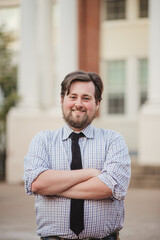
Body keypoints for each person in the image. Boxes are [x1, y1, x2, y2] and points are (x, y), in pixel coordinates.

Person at [24, 70, 131, 240]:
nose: (78, 103)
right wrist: (91, 173)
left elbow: (109, 187)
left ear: (97, 103)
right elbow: (37, 184)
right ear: (62, 100)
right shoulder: (43, 140)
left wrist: (54, 188)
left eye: (86, 98)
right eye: (72, 97)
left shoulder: (113, 140)